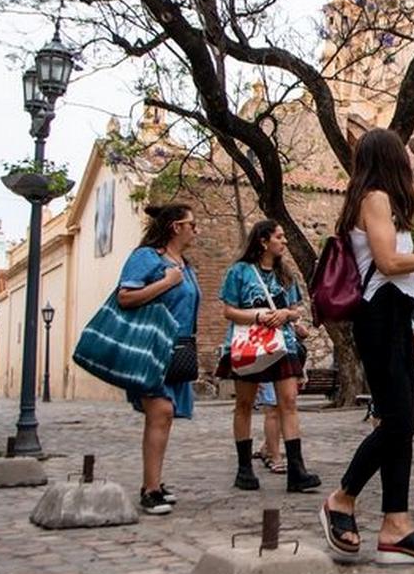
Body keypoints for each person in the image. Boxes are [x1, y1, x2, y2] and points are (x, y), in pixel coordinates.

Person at [320, 128, 414, 565]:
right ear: (388, 157)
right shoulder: (375, 198)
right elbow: (387, 263)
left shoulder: (385, 202)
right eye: (402, 150)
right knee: (398, 419)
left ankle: (395, 524)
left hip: (394, 313)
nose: (410, 155)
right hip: (377, 314)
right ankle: (342, 499)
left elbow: (395, 264)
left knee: (406, 419)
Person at [217, 220, 321, 493]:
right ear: (263, 241)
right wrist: (260, 316)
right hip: (250, 345)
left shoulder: (285, 274)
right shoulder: (239, 272)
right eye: (279, 236)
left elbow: (297, 309)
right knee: (245, 403)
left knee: (288, 401)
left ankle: (296, 469)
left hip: (281, 345)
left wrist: (286, 314)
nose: (284, 241)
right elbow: (229, 310)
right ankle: (244, 469)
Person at [116, 203, 201, 515]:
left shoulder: (185, 263)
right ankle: (149, 489)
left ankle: (155, 481)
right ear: (176, 227)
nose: (196, 230)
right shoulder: (146, 258)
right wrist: (165, 283)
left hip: (178, 349)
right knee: (160, 411)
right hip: (152, 347)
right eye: (192, 224)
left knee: (164, 417)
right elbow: (125, 296)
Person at [253, 383, 285, 473]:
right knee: (272, 408)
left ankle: (268, 447)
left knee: (283, 410)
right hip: (266, 373)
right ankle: (274, 456)